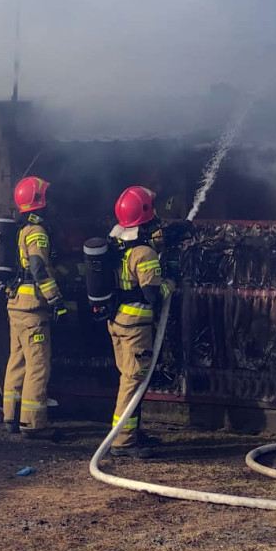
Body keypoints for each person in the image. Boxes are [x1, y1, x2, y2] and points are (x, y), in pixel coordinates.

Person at [105, 185, 174, 458]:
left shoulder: (118, 243)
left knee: (128, 378)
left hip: (117, 321)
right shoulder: (144, 253)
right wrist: (171, 282)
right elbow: (152, 295)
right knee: (133, 381)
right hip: (135, 327)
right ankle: (123, 442)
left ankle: (129, 432)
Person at [1, 176, 66, 440]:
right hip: (32, 308)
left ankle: (11, 417)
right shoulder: (36, 232)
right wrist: (55, 299)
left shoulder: (21, 229)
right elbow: (39, 269)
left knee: (17, 361)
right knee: (38, 365)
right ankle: (34, 423)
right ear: (40, 203)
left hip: (15, 305)